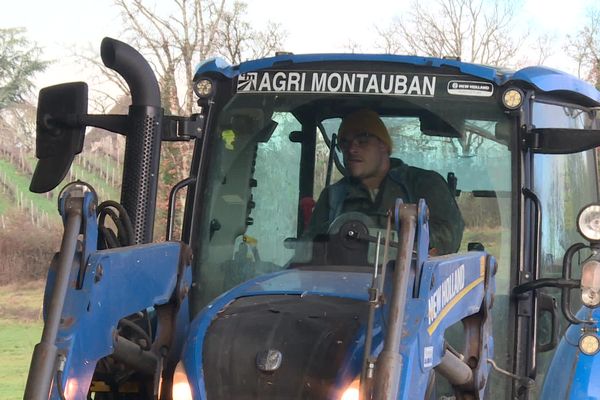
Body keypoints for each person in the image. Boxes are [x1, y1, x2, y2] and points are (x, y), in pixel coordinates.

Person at [306, 109, 464, 255]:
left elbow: (449, 236)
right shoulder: (333, 196)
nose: (351, 149)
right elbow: (306, 248)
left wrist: (395, 233)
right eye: (345, 143)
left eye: (362, 140)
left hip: (410, 282)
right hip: (340, 281)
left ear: (383, 145)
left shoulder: (423, 184)